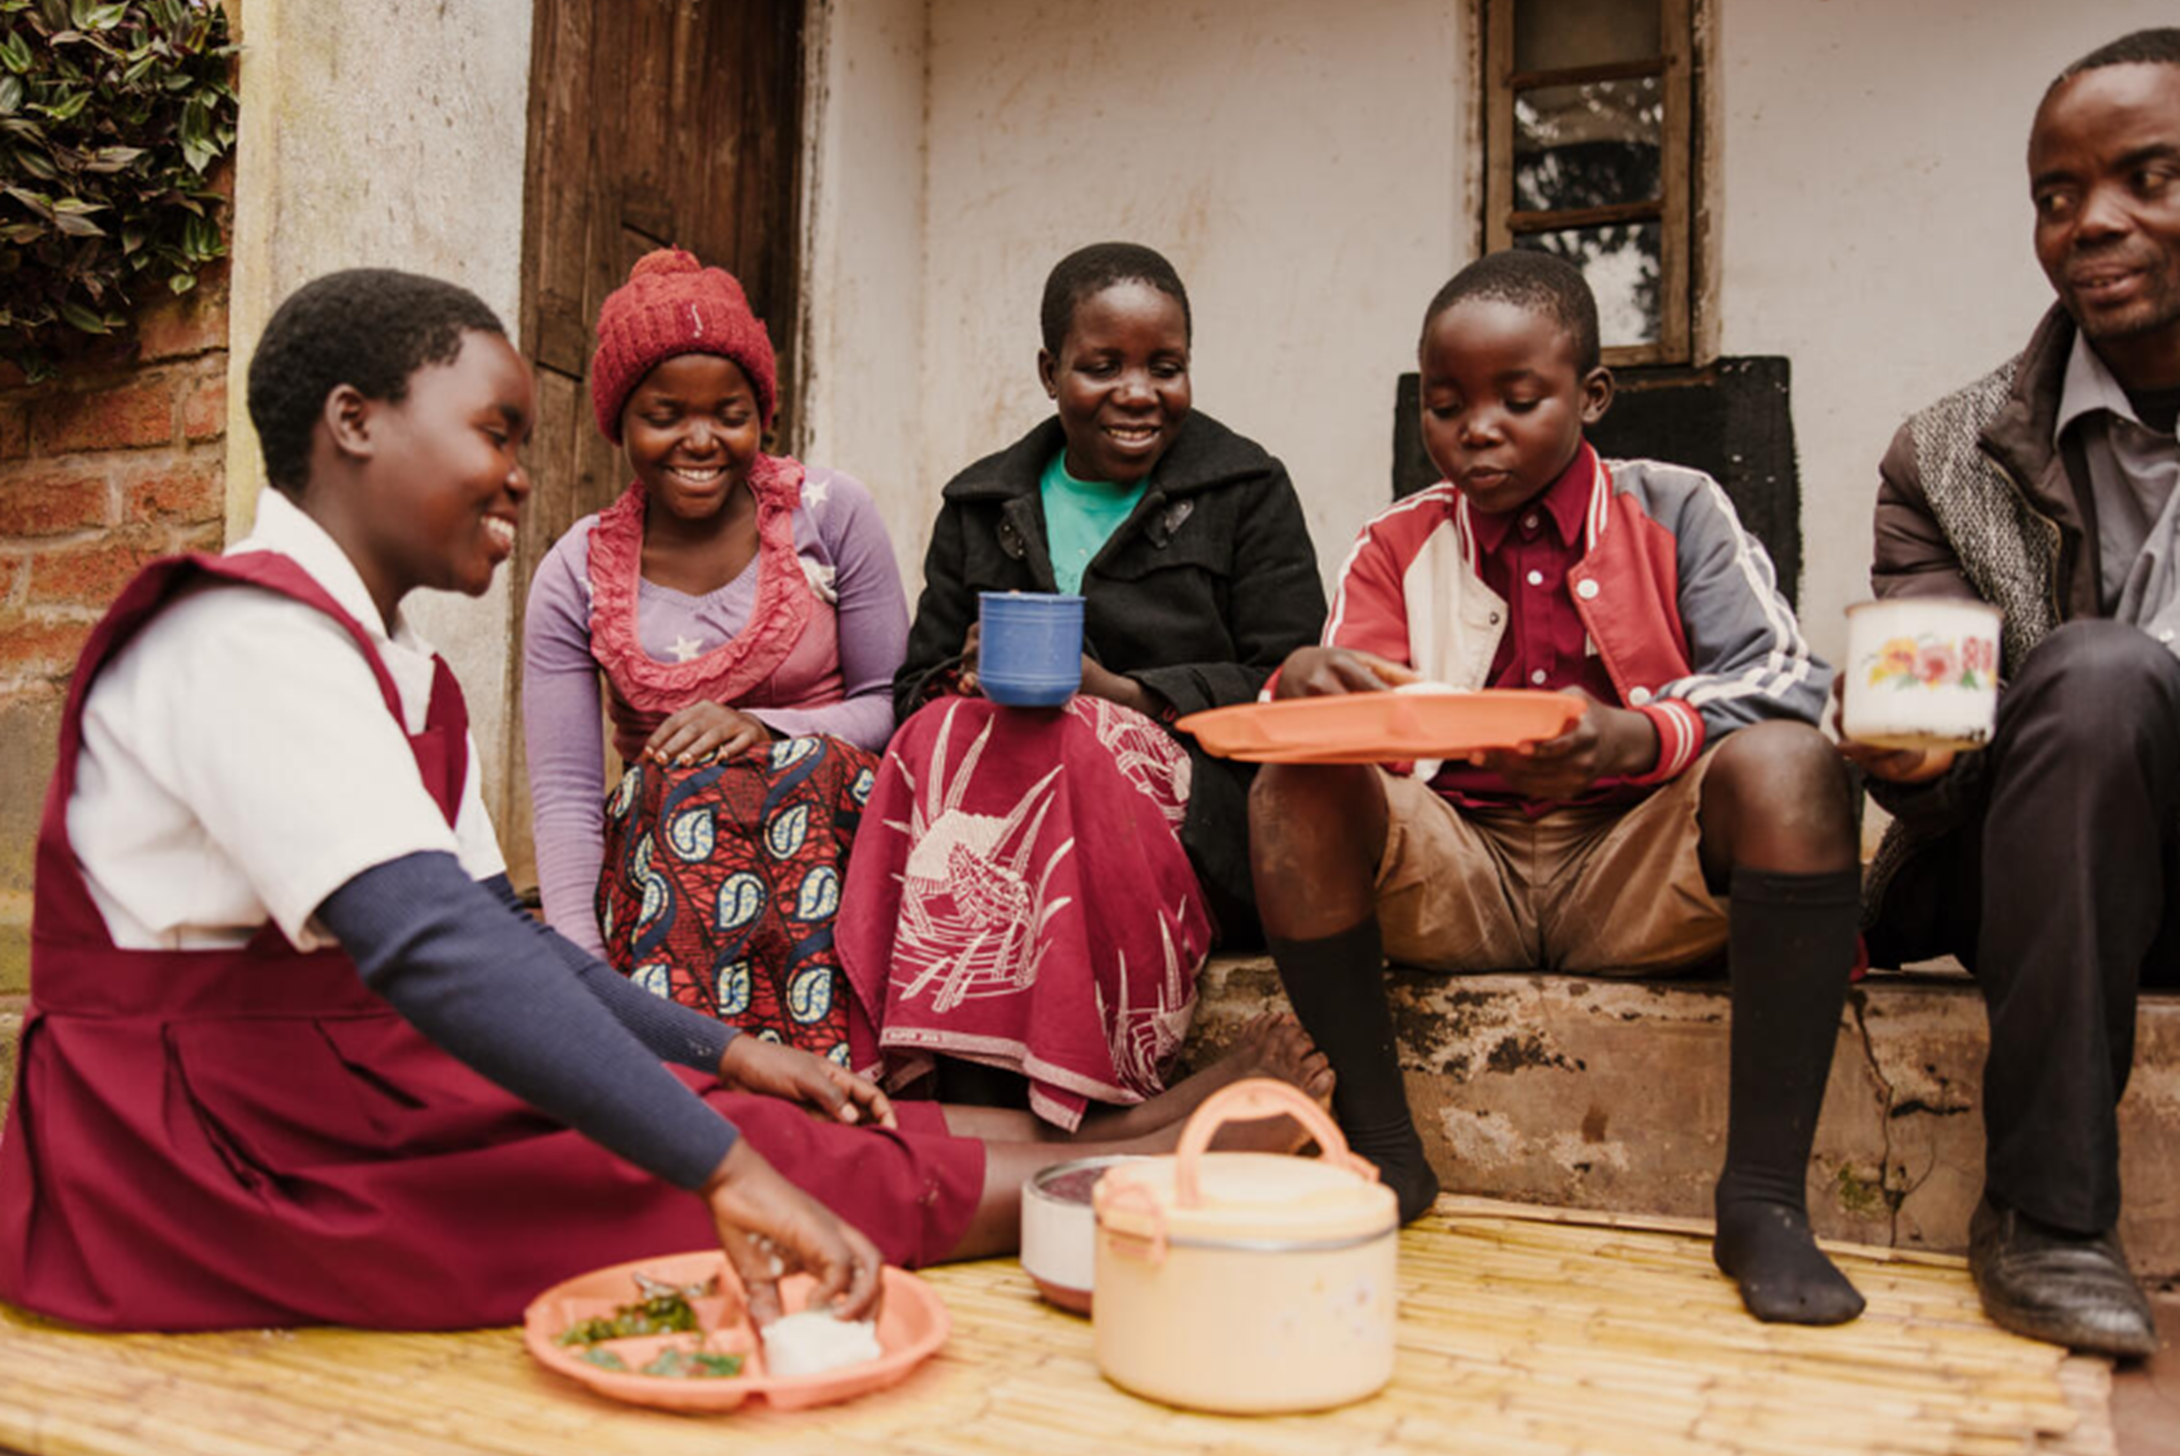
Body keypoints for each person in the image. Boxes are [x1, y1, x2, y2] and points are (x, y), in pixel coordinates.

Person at [0, 268, 1328, 1334]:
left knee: (767, 1111)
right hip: (217, 1152)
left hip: (339, 1086)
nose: (522, 474)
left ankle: (1124, 1140)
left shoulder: (381, 662)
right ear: (354, 421)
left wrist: (727, 1052)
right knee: (694, 1173)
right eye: (496, 431)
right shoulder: (241, 638)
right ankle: (1147, 1174)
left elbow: (489, 938)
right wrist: (725, 1160)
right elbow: (437, 945)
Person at [1250, 251, 1868, 1327]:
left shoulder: (1679, 507)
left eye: (1515, 399)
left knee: (1788, 766)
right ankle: (1387, 1151)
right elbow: (1356, 736)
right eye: (1445, 407)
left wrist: (1636, 737)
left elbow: (1788, 685)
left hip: (1636, 865)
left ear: (1590, 396)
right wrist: (1300, 687)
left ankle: (1763, 1198)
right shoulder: (1396, 543)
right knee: (1288, 780)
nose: (1474, 429)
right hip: (1461, 873)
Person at [1844, 29, 2180, 1361]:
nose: (2092, 220)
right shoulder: (1947, 457)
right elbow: (1930, 687)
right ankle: (2045, 1219)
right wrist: (1908, 752)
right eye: (2057, 193)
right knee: (2097, 675)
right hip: (2056, 878)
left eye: (2149, 176)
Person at [838, 242, 1327, 1130]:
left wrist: (1124, 694)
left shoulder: (1244, 490)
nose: (1137, 393)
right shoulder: (982, 504)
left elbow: (1290, 683)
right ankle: (984, 1093)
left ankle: (1050, 1100)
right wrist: (967, 676)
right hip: (1004, 813)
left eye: (1164, 367)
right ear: (1049, 371)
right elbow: (910, 694)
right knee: (950, 730)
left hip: (1203, 825)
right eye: (1102, 367)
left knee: (1070, 733)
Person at [525, 249, 904, 1062]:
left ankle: (826, 1089)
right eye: (665, 415)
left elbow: (893, 701)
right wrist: (582, 970)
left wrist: (766, 728)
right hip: (674, 863)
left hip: (829, 836)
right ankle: (694, 1081)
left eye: (729, 413)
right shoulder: (575, 571)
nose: (700, 441)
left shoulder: (830, 516)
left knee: (790, 774)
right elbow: (563, 795)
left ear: (761, 412)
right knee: (681, 788)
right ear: (620, 420)